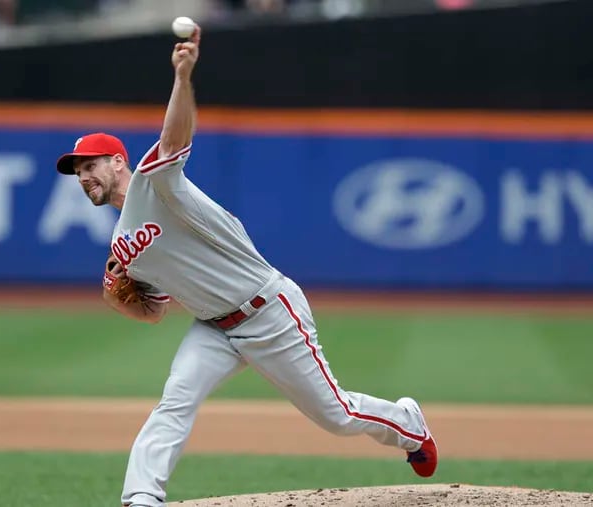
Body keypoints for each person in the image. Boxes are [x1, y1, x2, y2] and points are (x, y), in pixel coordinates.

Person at [55, 23, 438, 507]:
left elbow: (174, 136)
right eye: (77, 171)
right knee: (176, 399)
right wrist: (119, 299)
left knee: (335, 415)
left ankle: (408, 424)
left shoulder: (158, 185)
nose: (84, 175)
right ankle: (141, 497)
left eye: (90, 164)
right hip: (213, 328)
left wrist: (182, 77)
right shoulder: (121, 243)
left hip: (269, 311)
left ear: (117, 162)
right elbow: (153, 313)